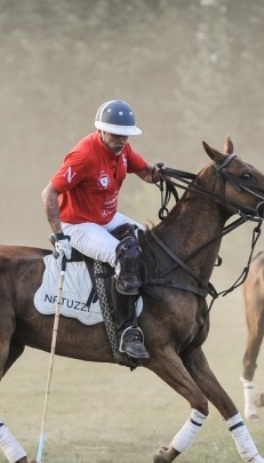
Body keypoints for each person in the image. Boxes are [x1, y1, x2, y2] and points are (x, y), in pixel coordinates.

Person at [41, 100, 164, 360]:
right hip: (78, 224)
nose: (121, 140)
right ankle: (126, 332)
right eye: (116, 135)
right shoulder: (84, 155)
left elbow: (146, 173)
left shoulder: (123, 150)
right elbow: (49, 193)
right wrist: (59, 235)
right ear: (101, 131)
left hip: (106, 217)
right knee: (124, 255)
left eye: (125, 135)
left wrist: (160, 173)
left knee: (153, 244)